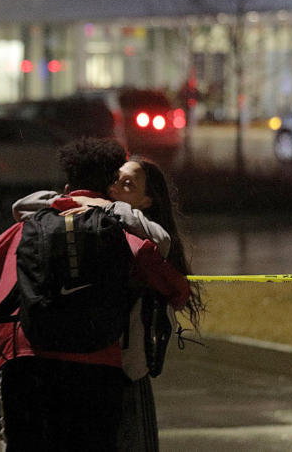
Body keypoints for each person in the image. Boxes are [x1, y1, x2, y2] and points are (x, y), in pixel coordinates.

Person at [0, 137, 190, 451]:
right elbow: (176, 290)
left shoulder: (26, 227)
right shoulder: (119, 230)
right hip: (94, 362)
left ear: (68, 182)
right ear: (109, 184)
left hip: (23, 359)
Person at [12, 154, 204, 451]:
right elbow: (21, 206)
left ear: (146, 201)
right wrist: (77, 201)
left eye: (127, 184)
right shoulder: (80, 221)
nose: (115, 186)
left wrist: (107, 207)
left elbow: (169, 268)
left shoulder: (132, 232)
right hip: (83, 361)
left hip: (125, 367)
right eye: (115, 179)